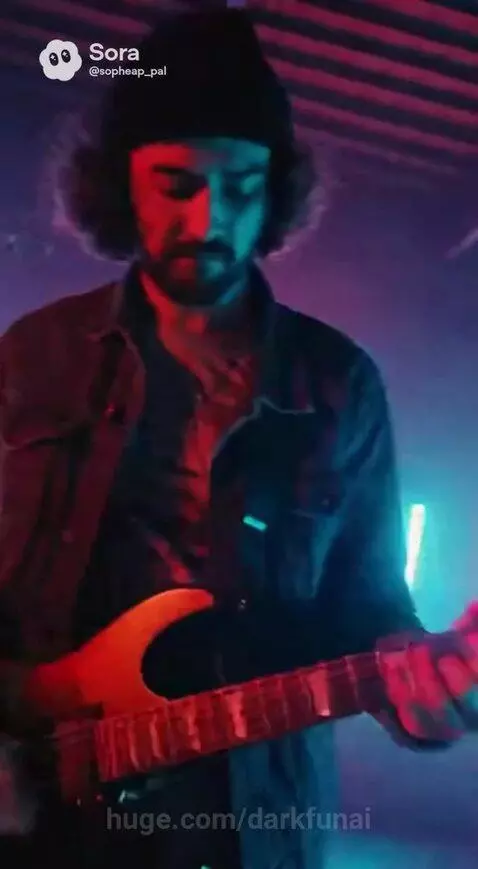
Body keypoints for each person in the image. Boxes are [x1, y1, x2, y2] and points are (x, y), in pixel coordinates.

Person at [0, 9, 476, 869]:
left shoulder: (340, 381)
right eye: (177, 183)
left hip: (250, 827)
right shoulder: (33, 355)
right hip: (40, 818)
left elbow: (370, 606)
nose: (209, 220)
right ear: (118, 183)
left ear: (278, 190)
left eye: (243, 187)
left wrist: (420, 689)